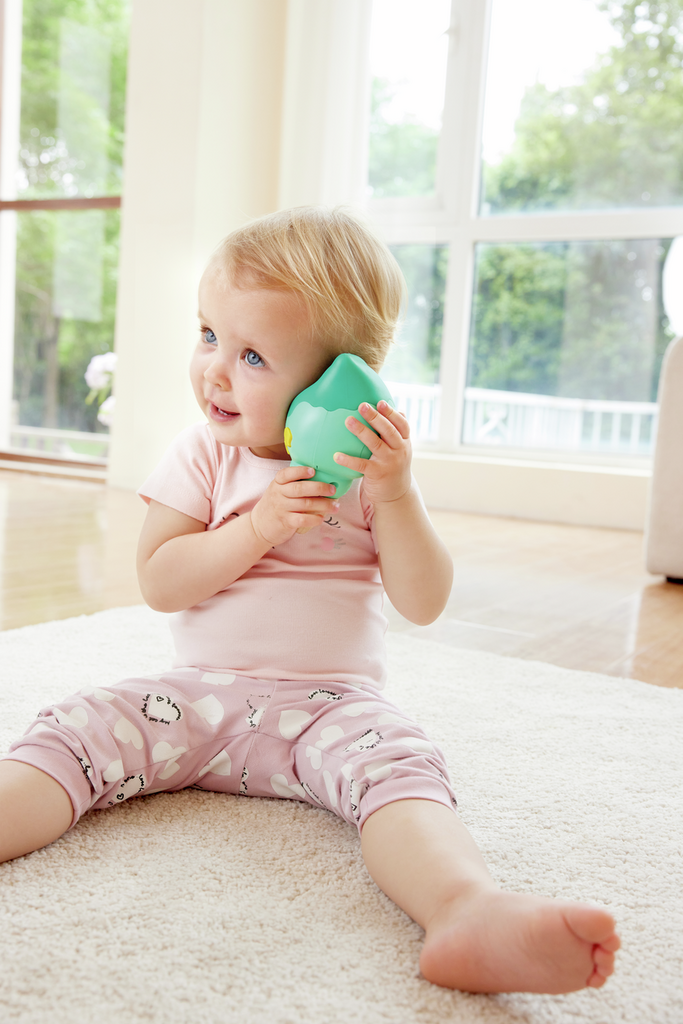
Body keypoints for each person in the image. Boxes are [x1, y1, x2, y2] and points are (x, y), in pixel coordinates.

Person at [0, 206, 620, 994]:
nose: (214, 370)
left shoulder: (365, 476)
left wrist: (395, 495)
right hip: (195, 696)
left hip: (333, 709)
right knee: (79, 728)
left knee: (400, 772)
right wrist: (256, 527)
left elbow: (423, 602)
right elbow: (160, 580)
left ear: (337, 381)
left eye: (252, 355)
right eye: (208, 334)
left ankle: (465, 908)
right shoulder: (203, 455)